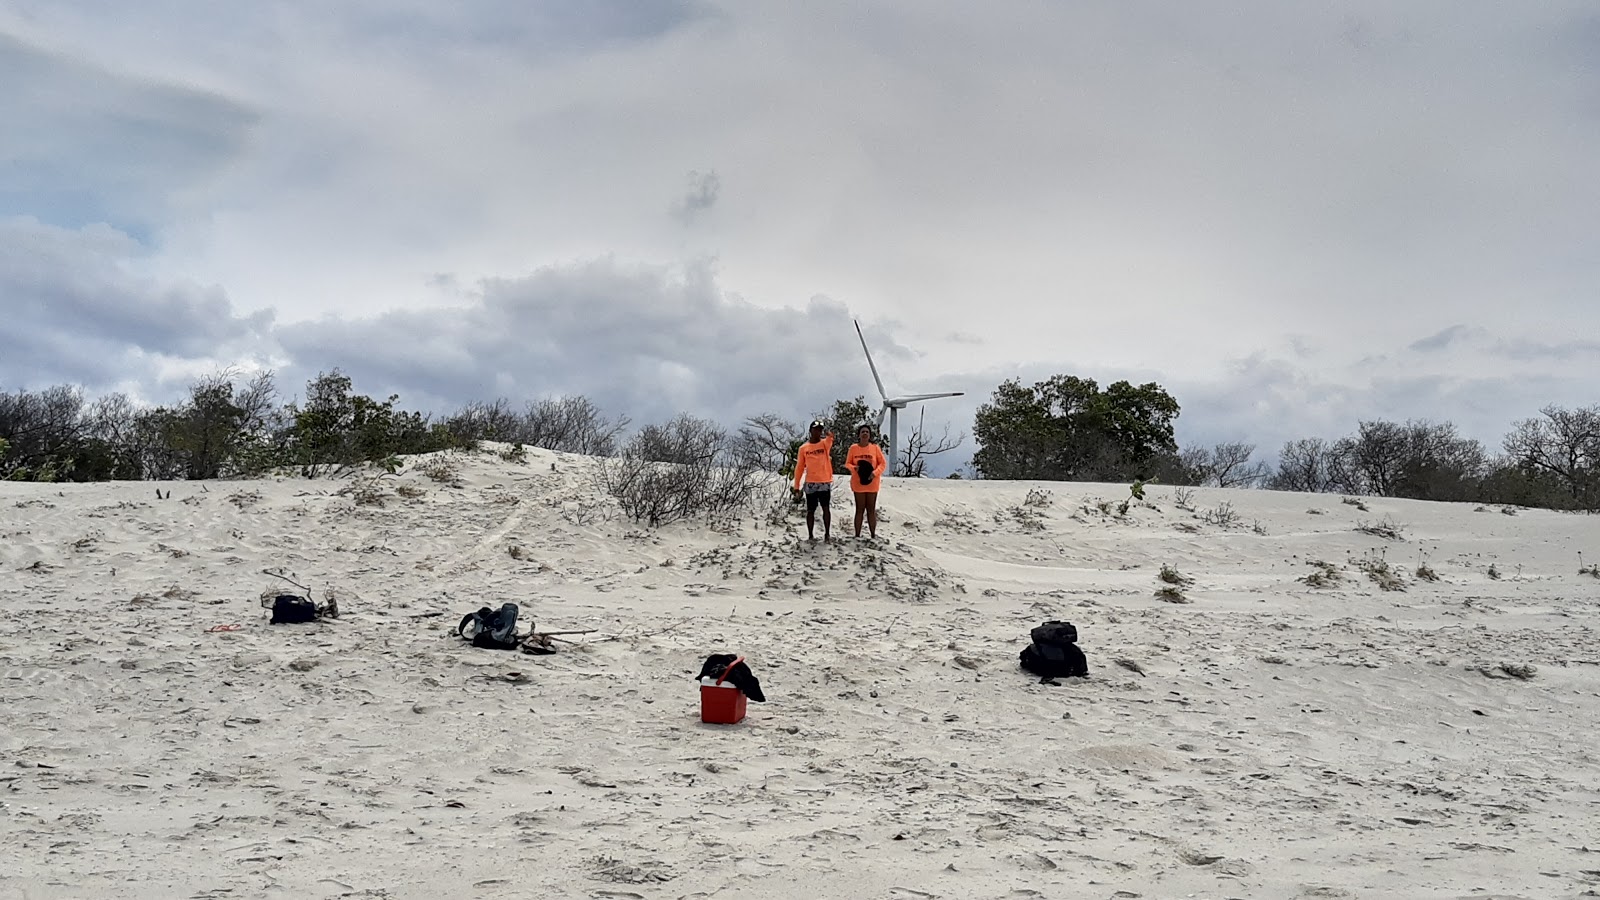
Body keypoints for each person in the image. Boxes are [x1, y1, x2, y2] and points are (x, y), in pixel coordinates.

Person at [791, 420, 835, 541]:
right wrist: (796, 486)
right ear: (810, 431)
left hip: (824, 481)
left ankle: (827, 534)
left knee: (826, 508)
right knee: (810, 510)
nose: (818, 432)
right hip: (811, 482)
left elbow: (830, 439)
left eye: (820, 429)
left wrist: (829, 434)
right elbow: (799, 467)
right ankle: (810, 535)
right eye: (816, 429)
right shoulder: (804, 448)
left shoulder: (824, 444)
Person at [846, 424, 888, 538]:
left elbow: (883, 464)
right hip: (858, 482)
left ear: (869, 435)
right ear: (859, 434)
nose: (865, 434)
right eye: (863, 432)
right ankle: (857, 535)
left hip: (872, 482)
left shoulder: (875, 448)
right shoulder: (853, 448)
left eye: (867, 432)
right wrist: (855, 468)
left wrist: (875, 473)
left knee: (871, 509)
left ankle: (873, 534)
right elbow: (847, 463)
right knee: (859, 509)